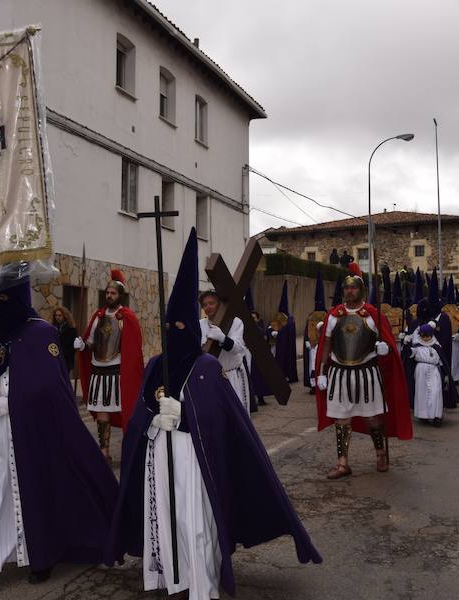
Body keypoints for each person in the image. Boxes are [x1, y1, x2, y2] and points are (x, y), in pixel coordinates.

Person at [106, 229, 322, 600]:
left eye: (181, 327)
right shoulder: (158, 364)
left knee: (194, 519)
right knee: (164, 517)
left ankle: (199, 582)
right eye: (169, 327)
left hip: (193, 460)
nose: (176, 333)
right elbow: (141, 406)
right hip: (159, 457)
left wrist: (185, 416)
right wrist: (155, 420)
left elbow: (219, 420)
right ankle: (168, 578)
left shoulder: (207, 367)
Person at [0, 263, 119, 596]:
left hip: (24, 429)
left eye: (5, 301)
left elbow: (49, 387)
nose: (0, 309)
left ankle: (40, 557)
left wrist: (14, 401)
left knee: (26, 491)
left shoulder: (41, 332)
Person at [315, 262, 412, 478]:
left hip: (366, 373)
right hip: (339, 373)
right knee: (341, 420)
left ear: (361, 290)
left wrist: (385, 348)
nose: (349, 291)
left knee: (372, 418)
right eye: (346, 288)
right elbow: (326, 345)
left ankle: (380, 454)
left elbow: (386, 343)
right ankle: (343, 464)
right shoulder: (334, 315)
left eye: (353, 287)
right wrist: (322, 372)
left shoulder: (372, 315)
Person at [75, 270, 145, 463]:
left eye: (113, 293)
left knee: (125, 410)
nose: (109, 296)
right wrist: (82, 345)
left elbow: (133, 348)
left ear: (120, 295)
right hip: (99, 371)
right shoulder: (98, 316)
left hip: (118, 373)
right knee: (101, 412)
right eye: (107, 293)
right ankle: (104, 452)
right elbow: (91, 342)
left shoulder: (127, 317)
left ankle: (129, 450)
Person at [199, 289, 252, 413]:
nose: (208, 307)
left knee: (236, 415)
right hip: (211, 377)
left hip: (232, 375)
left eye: (211, 303)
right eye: (205, 305)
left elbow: (237, 348)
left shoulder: (235, 322)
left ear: (219, 304)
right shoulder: (200, 324)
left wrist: (223, 338)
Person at [403, 323, 456, 426]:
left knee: (436, 392)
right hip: (420, 371)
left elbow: (442, 361)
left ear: (432, 335)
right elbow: (407, 354)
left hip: (434, 370)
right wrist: (405, 343)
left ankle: (437, 416)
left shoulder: (436, 346)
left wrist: (445, 375)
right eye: (423, 336)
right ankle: (423, 416)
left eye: (428, 336)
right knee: (422, 393)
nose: (426, 338)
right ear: (420, 335)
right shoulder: (416, 346)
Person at [303, 271, 328, 395]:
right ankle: (313, 384)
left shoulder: (327, 316)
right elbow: (307, 330)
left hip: (324, 346)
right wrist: (308, 341)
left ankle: (324, 381)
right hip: (313, 346)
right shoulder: (311, 317)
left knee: (322, 363)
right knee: (312, 365)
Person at [268, 280, 298, 384]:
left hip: (286, 346)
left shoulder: (290, 319)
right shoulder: (276, 317)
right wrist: (272, 332)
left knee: (285, 360)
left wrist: (281, 334)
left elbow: (290, 331)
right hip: (276, 345)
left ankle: (287, 375)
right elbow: (270, 327)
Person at [245, 288, 270, 406]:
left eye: (254, 318)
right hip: (245, 354)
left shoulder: (260, 330)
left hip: (256, 356)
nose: (252, 320)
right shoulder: (241, 329)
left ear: (257, 319)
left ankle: (260, 397)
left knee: (258, 376)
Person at [52, 306, 78, 373]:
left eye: (60, 315)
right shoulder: (53, 328)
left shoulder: (71, 329)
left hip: (66, 360)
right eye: (56, 315)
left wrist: (66, 354)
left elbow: (74, 346)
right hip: (55, 359)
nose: (57, 317)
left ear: (65, 316)